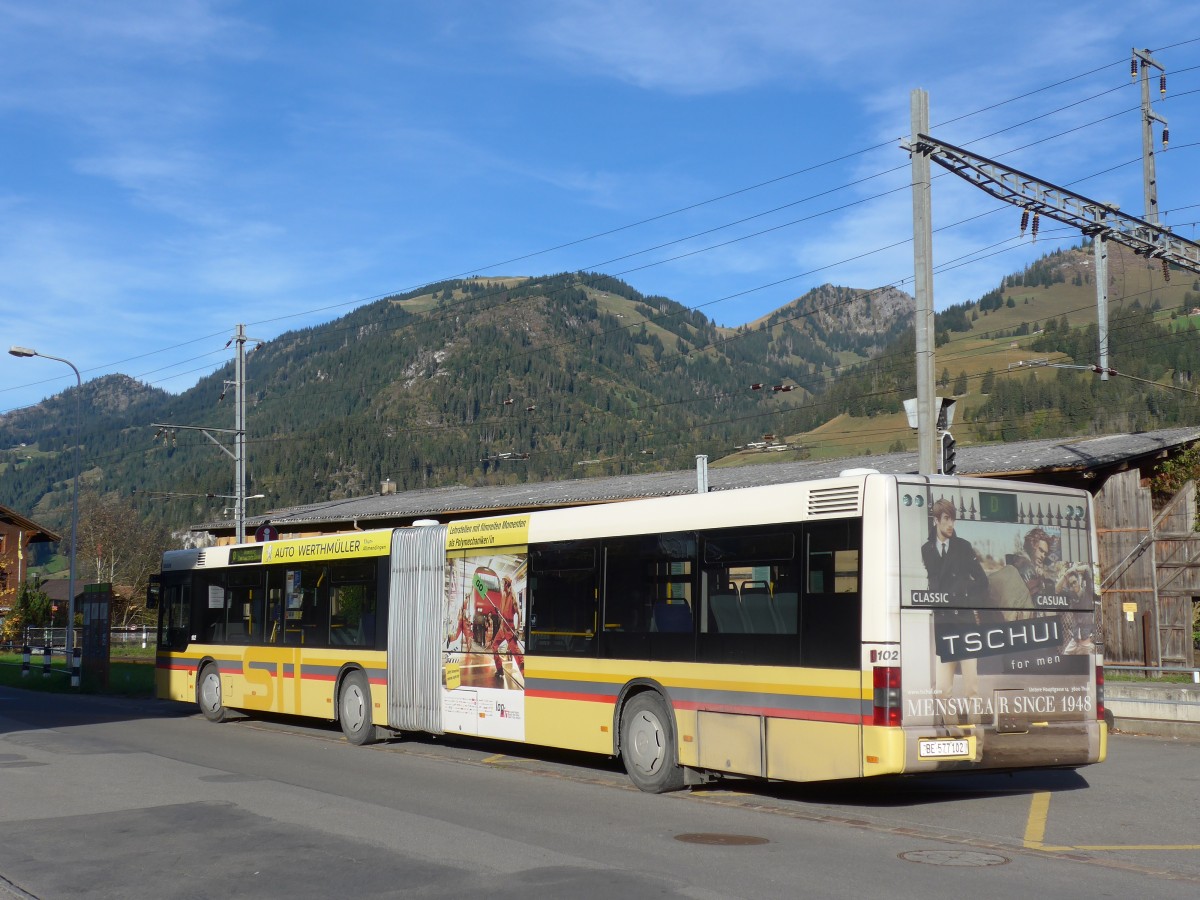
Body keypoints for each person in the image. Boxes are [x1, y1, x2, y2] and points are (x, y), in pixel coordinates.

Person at [921, 499, 988, 602]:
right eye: (946, 518)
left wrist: (963, 590)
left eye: (953, 519)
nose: (951, 524)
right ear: (936, 520)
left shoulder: (964, 547)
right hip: (939, 614)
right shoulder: (926, 549)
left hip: (961, 614)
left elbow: (983, 581)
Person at [490, 575, 525, 683]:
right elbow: (501, 615)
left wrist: (517, 630)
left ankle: (527, 677)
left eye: (503, 582)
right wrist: (497, 611)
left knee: (517, 654)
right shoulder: (503, 596)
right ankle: (500, 670)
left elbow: (519, 613)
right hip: (502, 628)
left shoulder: (513, 596)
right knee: (494, 647)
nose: (501, 585)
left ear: (507, 584)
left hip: (510, 629)